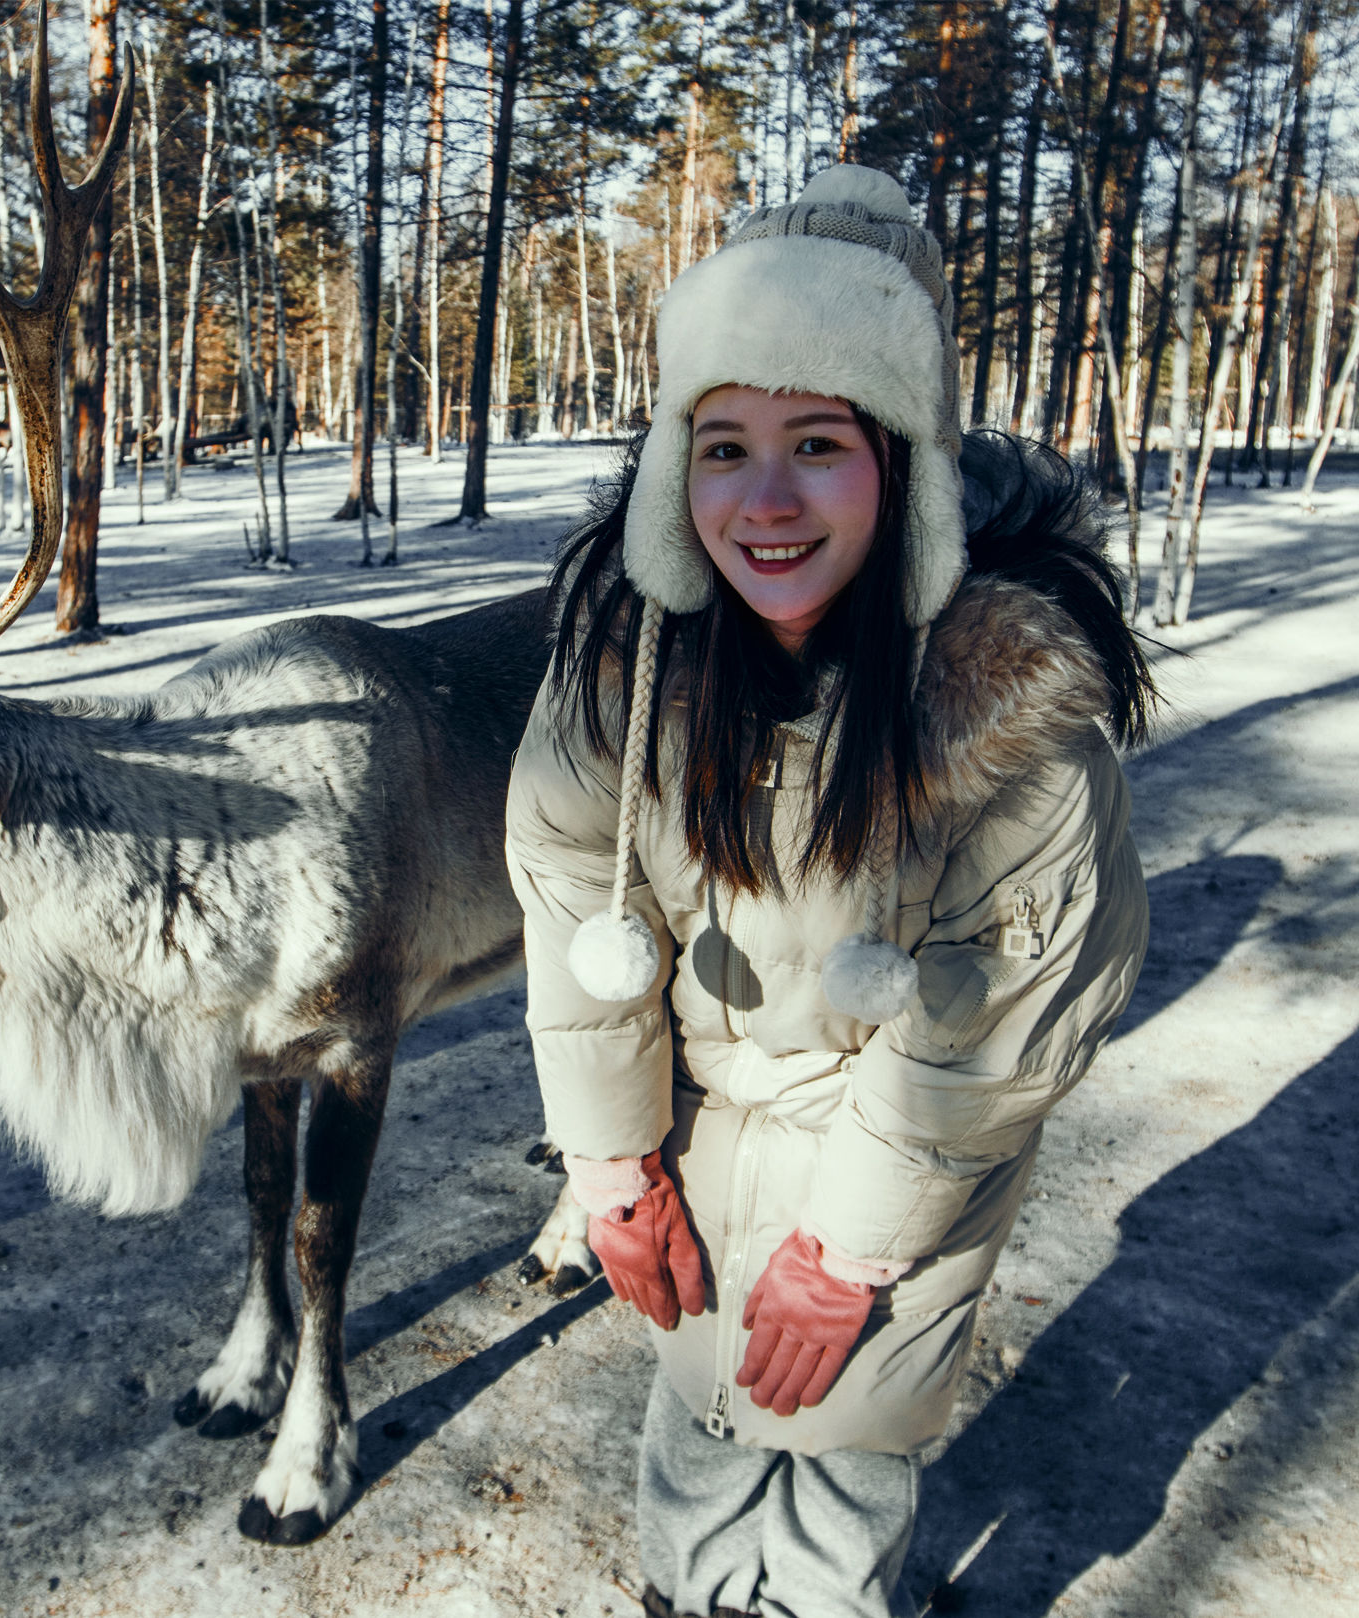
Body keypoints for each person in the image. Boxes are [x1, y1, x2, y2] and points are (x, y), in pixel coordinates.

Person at [505, 166, 1156, 1618]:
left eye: (819, 442)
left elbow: (1001, 1021)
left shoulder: (1010, 714)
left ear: (904, 464)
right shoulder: (626, 668)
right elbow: (570, 899)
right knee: (698, 1423)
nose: (769, 499)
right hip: (691, 1135)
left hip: (899, 1164)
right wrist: (612, 1164)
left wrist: (853, 1246)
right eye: (724, 446)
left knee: (845, 1443)